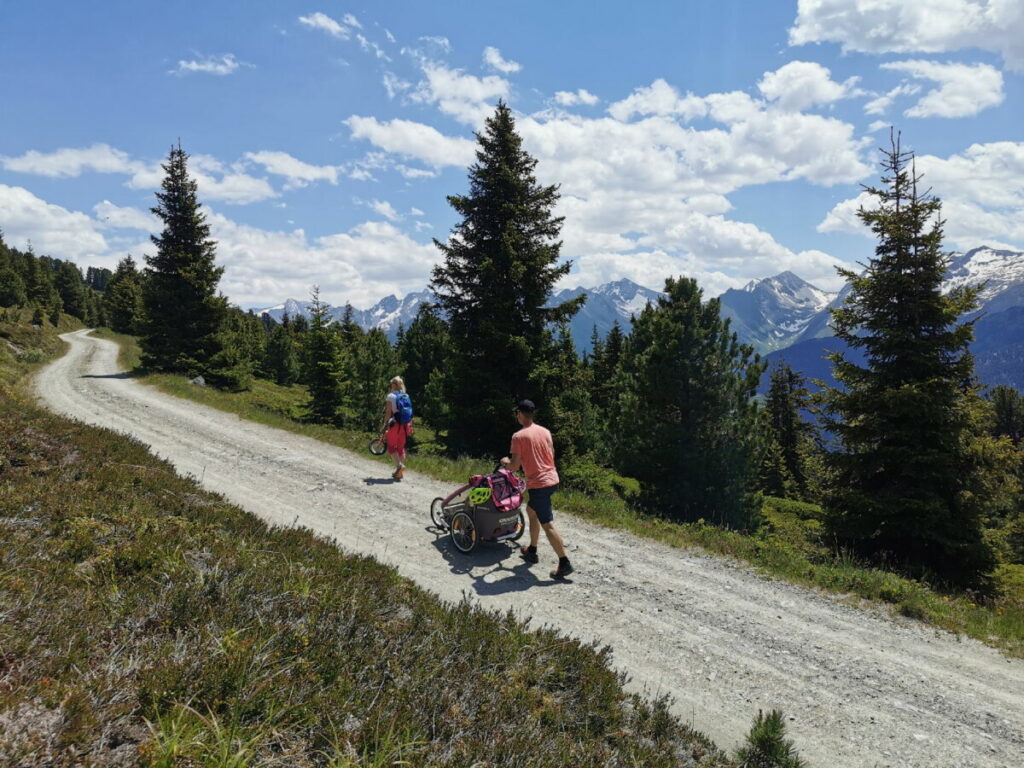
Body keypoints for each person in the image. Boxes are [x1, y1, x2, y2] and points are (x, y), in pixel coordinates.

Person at [501, 399, 574, 580]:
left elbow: (515, 465)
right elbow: (551, 454)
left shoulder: (518, 437)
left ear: (519, 414)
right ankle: (532, 550)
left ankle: (564, 562)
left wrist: (505, 462)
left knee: (547, 523)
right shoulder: (545, 431)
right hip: (552, 479)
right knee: (530, 510)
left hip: (539, 484)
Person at [382, 376, 412, 480]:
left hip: (395, 424)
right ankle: (399, 473)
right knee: (400, 448)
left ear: (394, 385)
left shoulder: (391, 396)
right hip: (405, 425)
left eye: (391, 384)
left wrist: (385, 424)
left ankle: (399, 465)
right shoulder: (406, 395)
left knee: (391, 447)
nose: (391, 386)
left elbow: (388, 413)